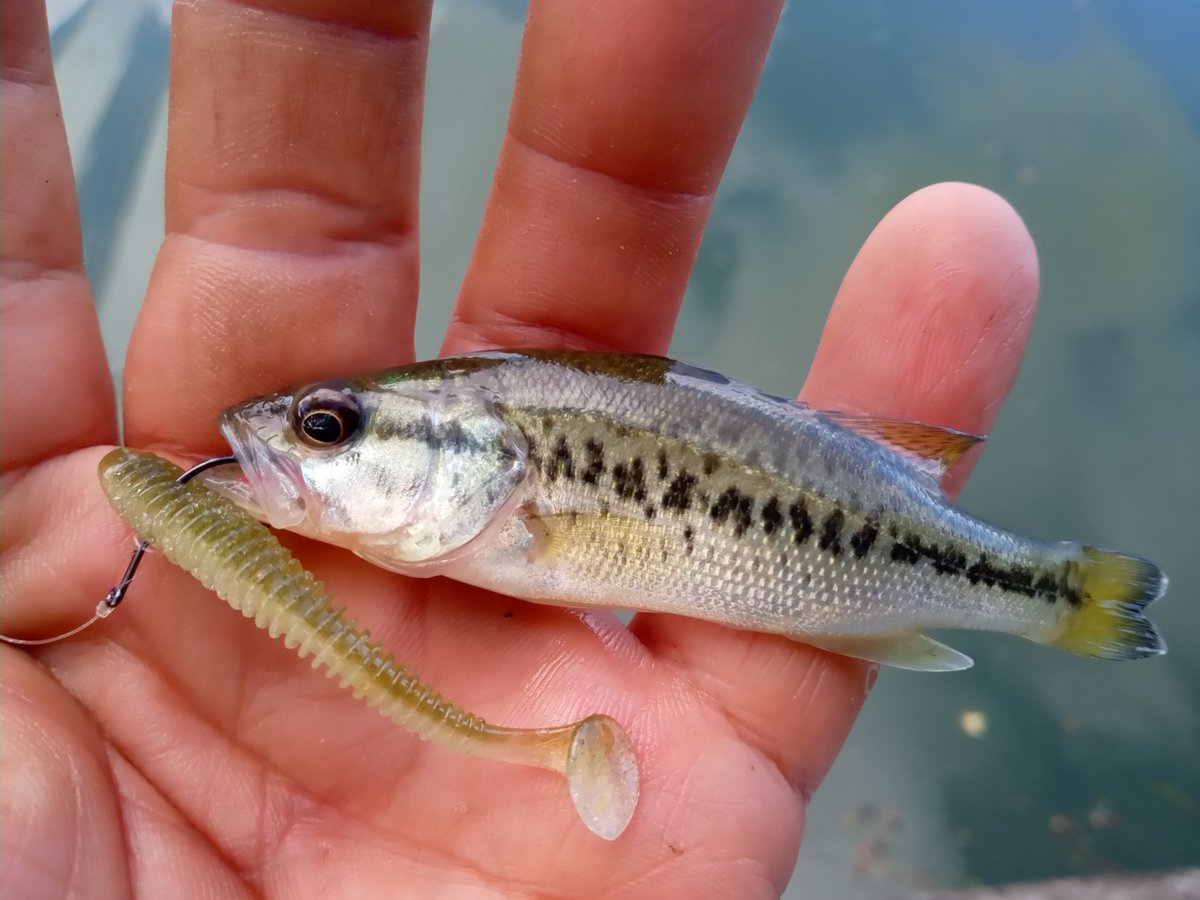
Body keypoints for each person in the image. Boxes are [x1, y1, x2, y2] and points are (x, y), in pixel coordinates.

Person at [0, 2, 1038, 896]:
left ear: (488, 456)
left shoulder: (519, 490)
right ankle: (1047, 597)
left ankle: (1044, 595)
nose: (290, 446)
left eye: (328, 427)